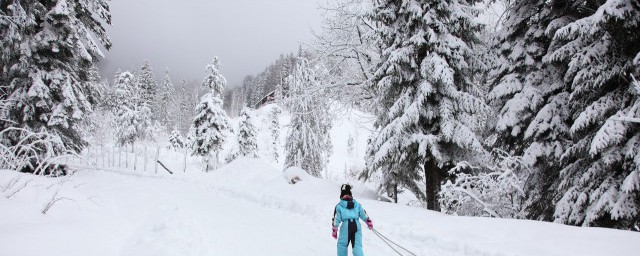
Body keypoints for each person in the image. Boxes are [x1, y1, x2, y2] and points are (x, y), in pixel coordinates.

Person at [331, 184, 373, 256]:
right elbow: (363, 213)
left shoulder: (339, 206)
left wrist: (335, 229)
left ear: (341, 195)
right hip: (356, 225)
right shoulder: (356, 204)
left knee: (342, 245)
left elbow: (336, 218)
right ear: (350, 194)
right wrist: (368, 221)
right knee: (357, 246)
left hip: (346, 226)